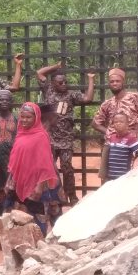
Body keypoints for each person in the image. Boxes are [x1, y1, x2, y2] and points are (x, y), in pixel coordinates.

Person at [91, 68, 138, 183]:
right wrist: (107, 131)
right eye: (112, 82)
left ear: (123, 82)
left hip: (129, 143)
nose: (115, 83)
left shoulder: (134, 98)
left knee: (124, 175)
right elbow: (95, 123)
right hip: (111, 144)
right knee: (106, 177)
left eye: (117, 81)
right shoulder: (107, 103)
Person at [36, 63, 95, 206]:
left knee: (67, 167)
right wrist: (56, 66)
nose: (64, 84)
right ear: (53, 83)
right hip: (49, 138)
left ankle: (72, 196)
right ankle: (51, 195)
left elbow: (88, 98)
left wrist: (91, 79)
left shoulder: (71, 95)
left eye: (65, 82)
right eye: (60, 82)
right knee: (48, 168)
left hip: (65, 139)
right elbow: (39, 73)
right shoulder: (48, 90)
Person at [5, 103, 60, 235]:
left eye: (28, 117)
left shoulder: (41, 136)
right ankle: (20, 247)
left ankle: (38, 248)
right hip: (18, 181)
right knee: (17, 216)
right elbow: (15, 161)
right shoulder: (20, 134)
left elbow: (44, 164)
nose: (24, 120)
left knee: (37, 217)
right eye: (22, 116)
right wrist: (9, 181)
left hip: (36, 183)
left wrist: (39, 187)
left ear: (36, 118)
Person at [106, 113, 138, 180]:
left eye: (121, 122)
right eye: (116, 122)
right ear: (113, 124)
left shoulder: (130, 138)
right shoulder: (111, 137)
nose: (118, 123)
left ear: (127, 124)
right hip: (110, 176)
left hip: (124, 177)